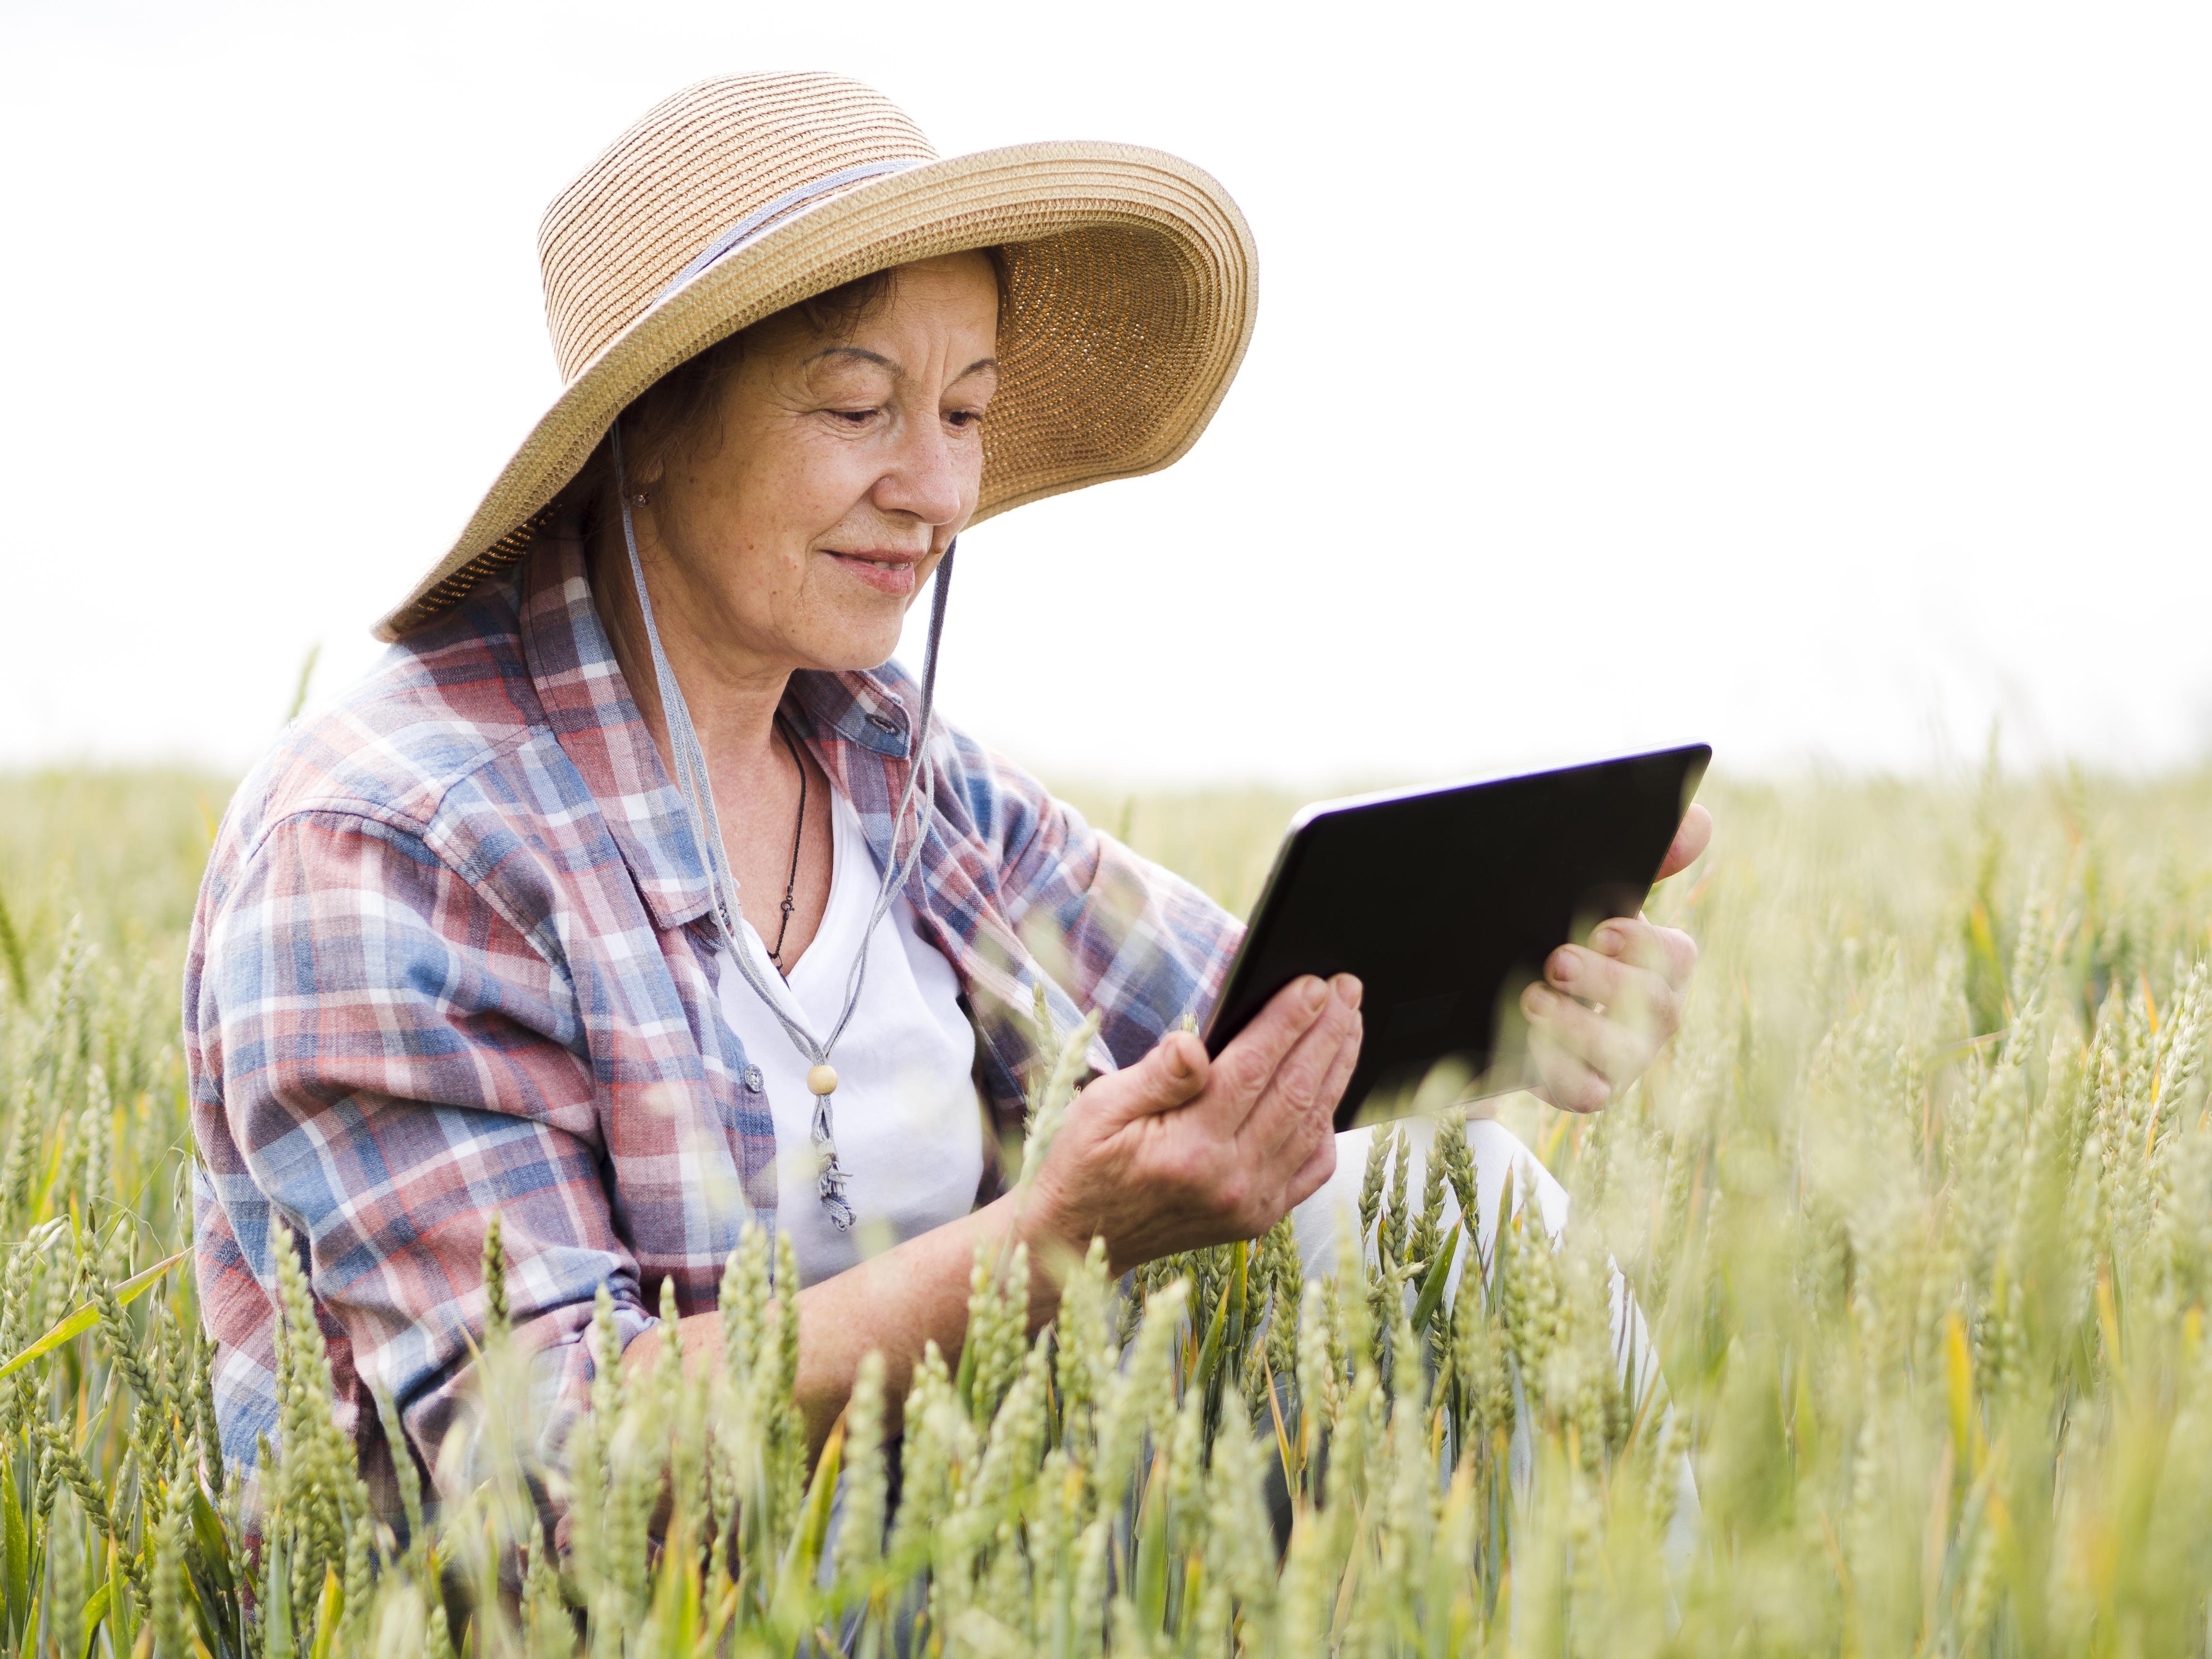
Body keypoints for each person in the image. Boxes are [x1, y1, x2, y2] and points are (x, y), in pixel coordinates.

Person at [185, 72, 1709, 1523]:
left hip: (974, 1531)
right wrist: (1042, 1250)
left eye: (965, 414)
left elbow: (1235, 1032)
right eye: (859, 410)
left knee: (1464, 1194)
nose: (939, 489)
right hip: (661, 1609)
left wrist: (1515, 977)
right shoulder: (392, 839)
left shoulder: (890, 765)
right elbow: (534, 1466)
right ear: (646, 425)